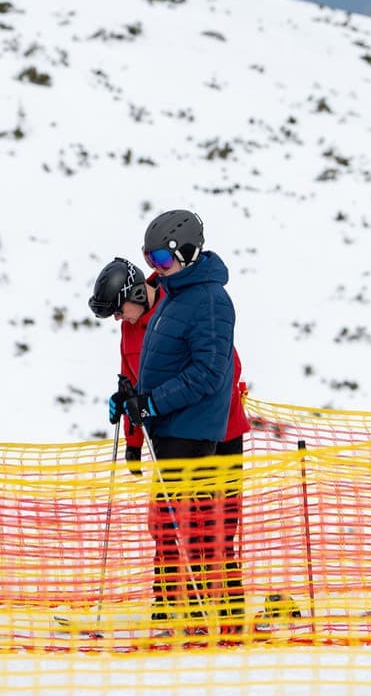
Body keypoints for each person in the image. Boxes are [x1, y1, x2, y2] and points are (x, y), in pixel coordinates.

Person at [89, 256, 249, 625]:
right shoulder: (131, 329)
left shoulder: (185, 306)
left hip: (218, 431)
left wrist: (157, 400)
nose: (118, 319)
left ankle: (226, 611)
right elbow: (135, 381)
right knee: (166, 522)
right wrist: (131, 432)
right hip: (170, 434)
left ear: (135, 293)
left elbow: (222, 367)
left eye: (119, 310)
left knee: (214, 525)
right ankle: (169, 606)